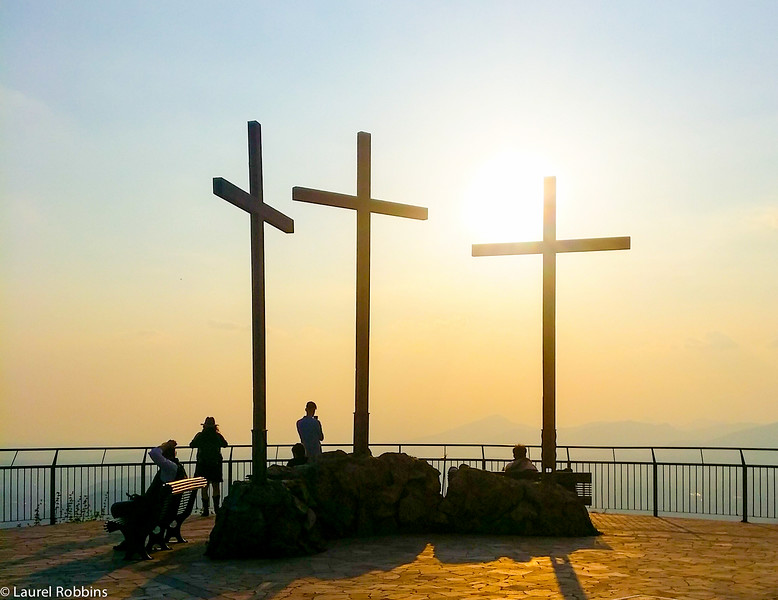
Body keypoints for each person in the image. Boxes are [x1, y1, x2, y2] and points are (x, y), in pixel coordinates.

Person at [190, 417, 228, 516]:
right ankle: (216, 508)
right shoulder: (217, 436)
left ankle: (205, 509)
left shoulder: (200, 436)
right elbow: (225, 444)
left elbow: (192, 445)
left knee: (204, 487)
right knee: (216, 486)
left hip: (203, 464)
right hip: (215, 464)